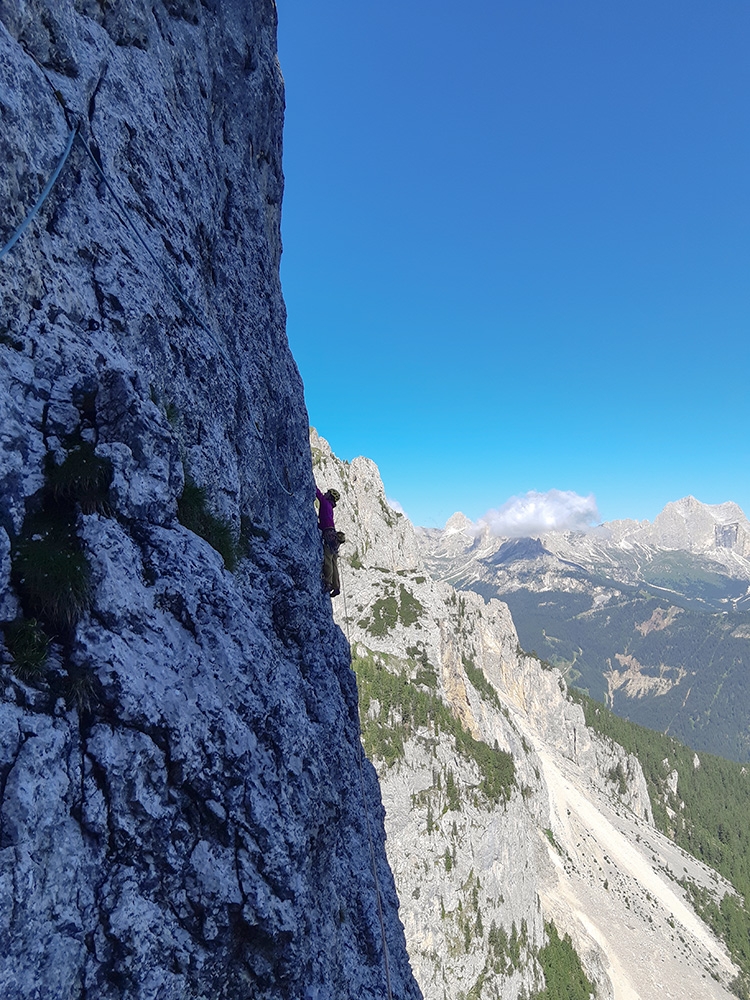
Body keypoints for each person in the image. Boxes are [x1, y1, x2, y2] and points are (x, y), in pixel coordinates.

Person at [315, 486, 342, 596]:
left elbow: (319, 495)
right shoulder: (330, 506)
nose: (325, 493)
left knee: (328, 558)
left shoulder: (325, 502)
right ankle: (336, 586)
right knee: (334, 561)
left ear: (330, 496)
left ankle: (328, 582)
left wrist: (314, 484)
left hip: (328, 533)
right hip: (333, 533)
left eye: (327, 493)